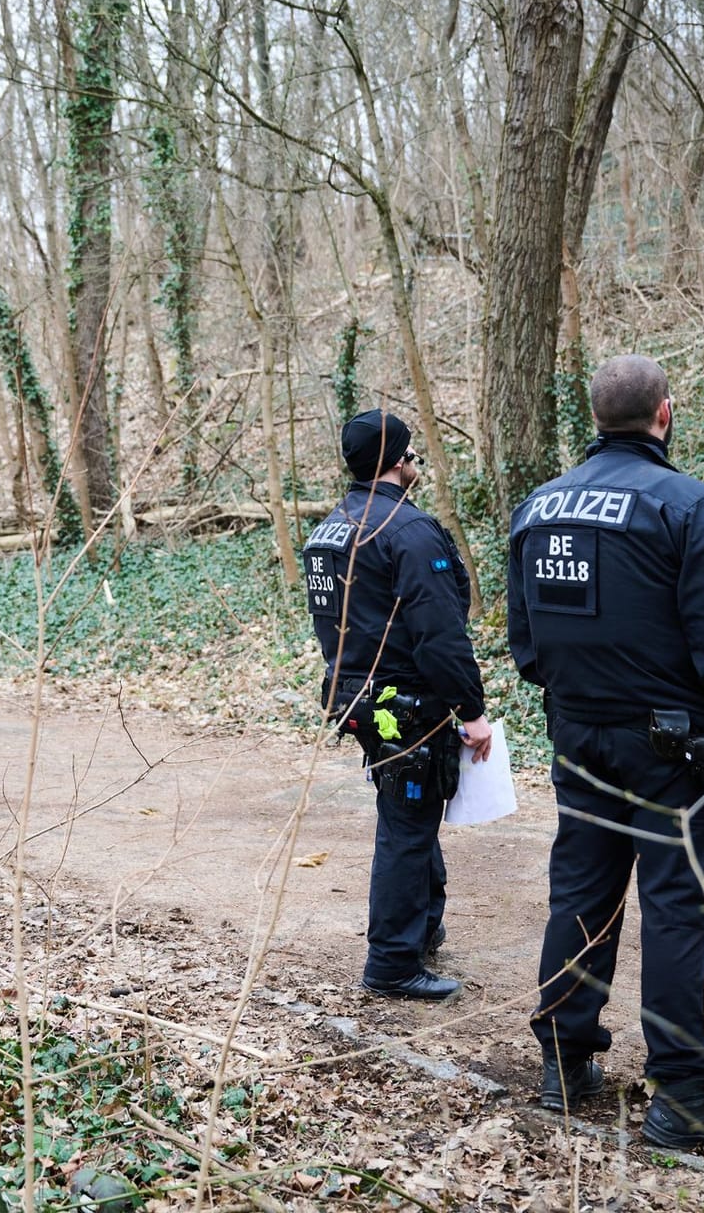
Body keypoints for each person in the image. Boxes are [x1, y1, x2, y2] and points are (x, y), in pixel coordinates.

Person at [506, 354, 704, 1155]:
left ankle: (565, 1063)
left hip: (579, 734)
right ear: (665, 412)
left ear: (596, 417)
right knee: (674, 910)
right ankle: (684, 1102)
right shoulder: (691, 507)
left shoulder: (539, 508)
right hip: (672, 751)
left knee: (582, 893)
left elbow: (526, 642)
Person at [304, 409, 495, 1002]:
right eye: (410, 454)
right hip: (407, 704)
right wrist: (471, 711)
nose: (415, 463)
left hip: (357, 698)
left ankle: (424, 930)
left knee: (413, 814)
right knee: (407, 828)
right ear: (398, 461)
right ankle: (391, 962)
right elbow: (440, 632)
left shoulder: (330, 529)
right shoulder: (407, 531)